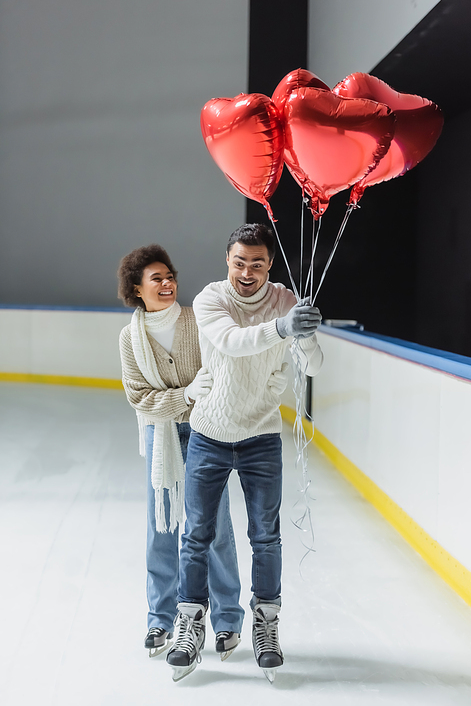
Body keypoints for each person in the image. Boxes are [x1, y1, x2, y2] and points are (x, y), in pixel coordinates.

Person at [167, 223, 323, 682]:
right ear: (227, 261)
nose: (247, 272)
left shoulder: (286, 301)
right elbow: (232, 344)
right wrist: (281, 328)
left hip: (260, 439)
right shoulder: (211, 299)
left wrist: (307, 333)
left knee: (266, 537)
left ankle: (266, 624)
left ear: (269, 265)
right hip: (210, 436)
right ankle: (191, 622)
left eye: (257, 263)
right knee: (196, 535)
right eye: (240, 262)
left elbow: (312, 366)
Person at [117, 244, 245, 660]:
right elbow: (139, 396)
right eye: (157, 279)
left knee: (215, 525)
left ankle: (227, 618)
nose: (168, 283)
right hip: (163, 438)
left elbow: (221, 368)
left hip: (208, 431)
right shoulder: (130, 338)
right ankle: (161, 617)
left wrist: (199, 401)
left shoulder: (196, 320)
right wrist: (183, 396)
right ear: (137, 289)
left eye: (170, 276)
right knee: (163, 525)